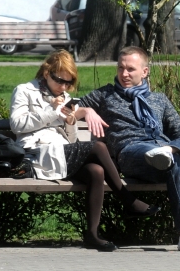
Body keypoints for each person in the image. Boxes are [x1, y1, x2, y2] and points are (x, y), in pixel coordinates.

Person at [77, 46, 180, 251]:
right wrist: (87, 110)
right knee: (176, 162)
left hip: (165, 151)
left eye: (130, 69)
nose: (124, 74)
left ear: (145, 71)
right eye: (120, 68)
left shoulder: (159, 99)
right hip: (132, 152)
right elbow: (69, 108)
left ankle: (170, 155)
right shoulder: (105, 95)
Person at [10, 50, 157, 252]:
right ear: (46, 73)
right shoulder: (25, 90)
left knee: (96, 171)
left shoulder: (65, 97)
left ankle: (92, 235)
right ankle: (128, 200)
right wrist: (52, 111)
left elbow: (70, 133)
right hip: (38, 153)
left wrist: (78, 114)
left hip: (62, 153)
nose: (63, 87)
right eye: (59, 81)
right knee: (97, 146)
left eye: (68, 83)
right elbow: (17, 125)